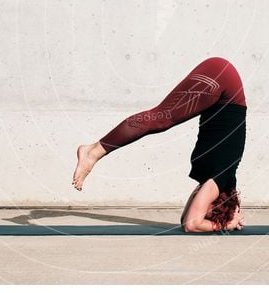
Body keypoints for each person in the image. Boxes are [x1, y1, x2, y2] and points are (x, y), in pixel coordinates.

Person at [72, 56, 248, 232]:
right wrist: (227, 223)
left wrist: (229, 215)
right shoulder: (216, 183)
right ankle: (93, 152)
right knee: (161, 118)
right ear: (214, 206)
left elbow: (184, 219)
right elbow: (191, 224)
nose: (198, 207)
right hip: (223, 81)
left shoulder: (221, 180)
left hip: (224, 84)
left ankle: (94, 151)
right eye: (205, 211)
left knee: (161, 118)